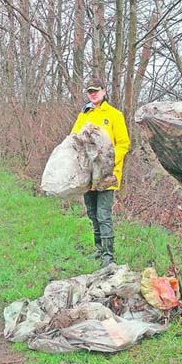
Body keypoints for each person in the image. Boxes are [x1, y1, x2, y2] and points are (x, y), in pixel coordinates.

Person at [71, 77, 131, 267]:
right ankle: (99, 249)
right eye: (90, 91)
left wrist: (109, 161)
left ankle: (108, 255)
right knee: (92, 212)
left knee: (104, 214)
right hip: (88, 173)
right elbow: (74, 138)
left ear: (104, 91)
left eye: (96, 90)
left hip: (107, 174)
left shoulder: (114, 115)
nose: (93, 94)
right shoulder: (84, 115)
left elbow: (124, 143)